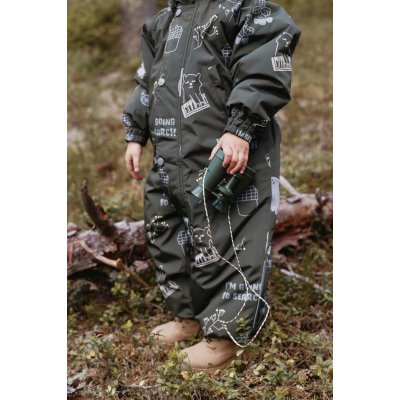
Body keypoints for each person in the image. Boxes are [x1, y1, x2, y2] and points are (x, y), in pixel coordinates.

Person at [122, 0, 300, 371]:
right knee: (168, 234)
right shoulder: (161, 23)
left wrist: (241, 127)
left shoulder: (245, 9)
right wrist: (136, 133)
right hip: (171, 158)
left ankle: (224, 336)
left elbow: (263, 66)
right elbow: (147, 79)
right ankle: (187, 315)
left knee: (231, 238)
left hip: (226, 153)